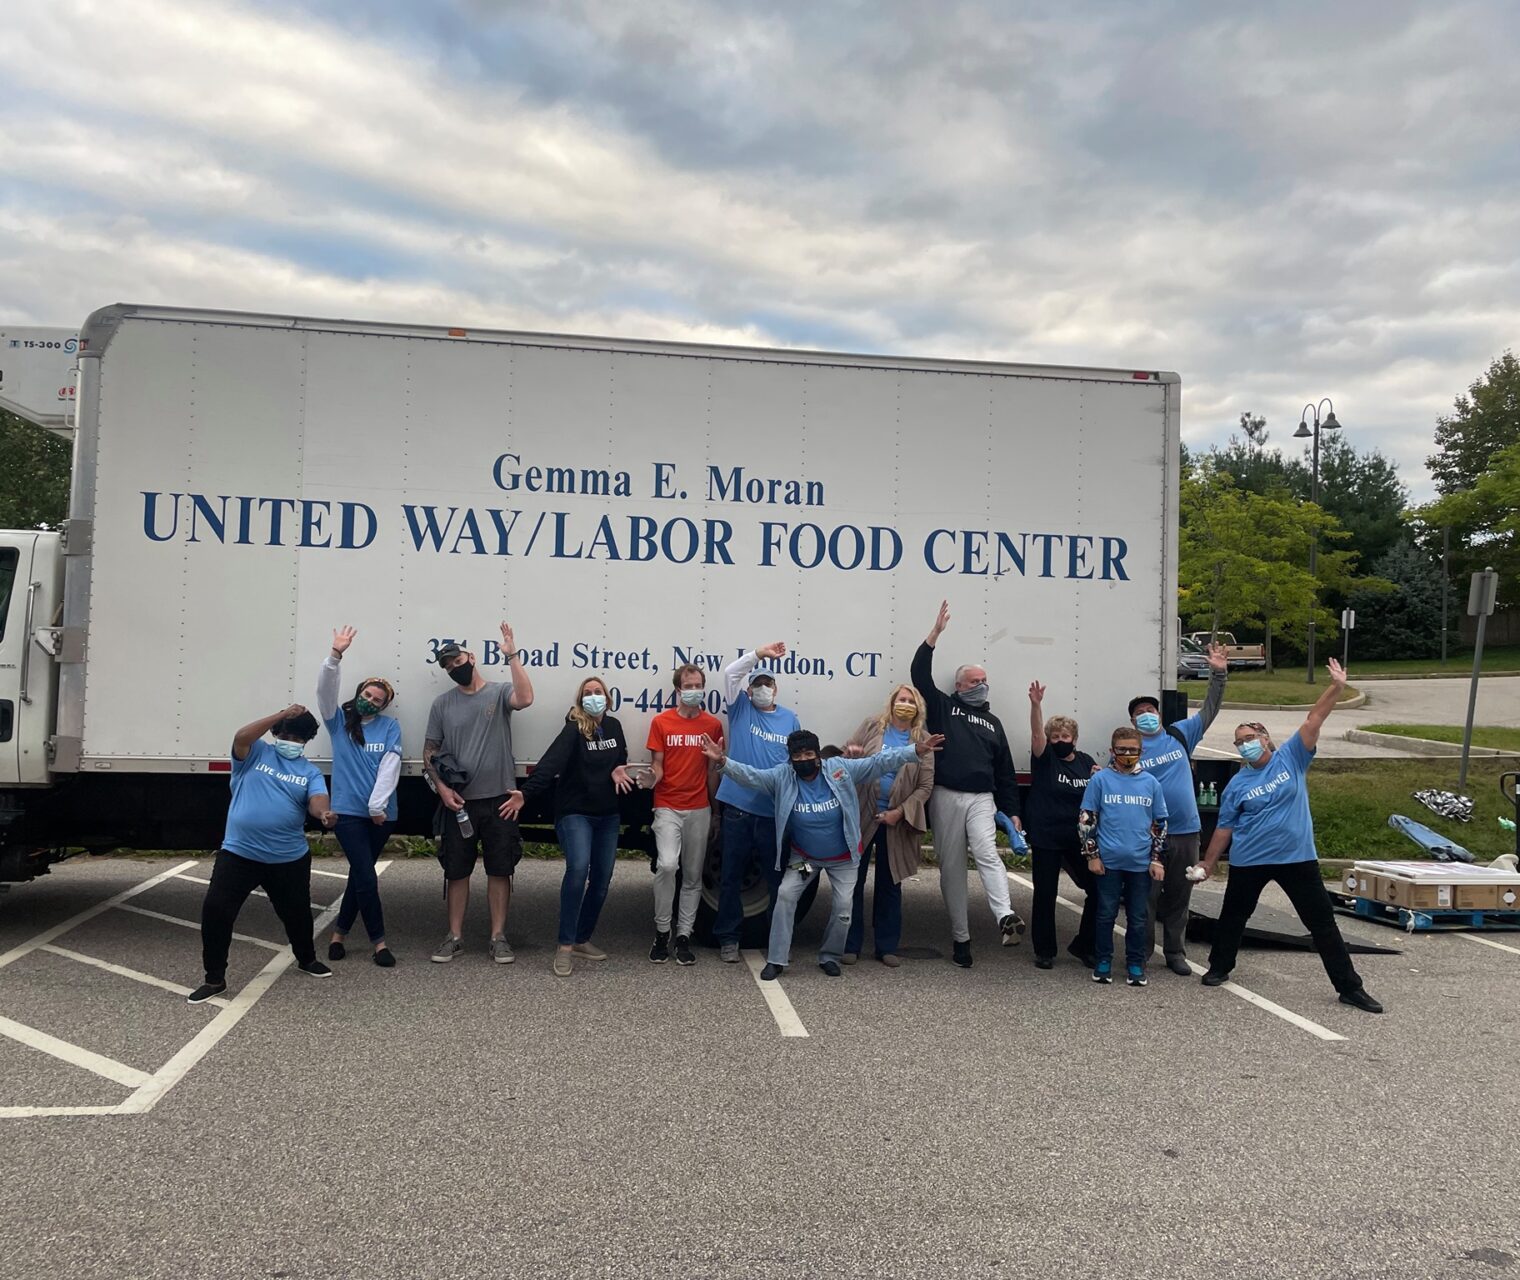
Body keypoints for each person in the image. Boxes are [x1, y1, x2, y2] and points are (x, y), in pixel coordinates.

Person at [1195, 658, 1383, 1013]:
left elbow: (1314, 719)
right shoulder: (1237, 783)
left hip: (1296, 858)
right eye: (1239, 743)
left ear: (1265, 738)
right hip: (1250, 860)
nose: (1245, 745)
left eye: (1250, 738)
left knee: (1322, 923)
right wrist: (1208, 862)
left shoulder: (1292, 758)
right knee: (1234, 916)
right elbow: (1225, 827)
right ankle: (1219, 968)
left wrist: (1336, 687)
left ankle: (1349, 986)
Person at [698, 727, 944, 978]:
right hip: (804, 858)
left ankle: (830, 955)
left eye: (808, 754)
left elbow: (879, 762)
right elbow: (751, 776)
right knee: (784, 895)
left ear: (818, 755)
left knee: (843, 908)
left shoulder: (840, 770)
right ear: (790, 758)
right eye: (797, 755)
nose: (803, 760)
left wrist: (914, 750)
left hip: (843, 859)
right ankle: (777, 959)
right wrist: (721, 761)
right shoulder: (783, 776)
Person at [188, 704, 338, 1003]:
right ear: (276, 732)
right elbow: (241, 736)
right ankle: (214, 978)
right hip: (239, 854)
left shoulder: (309, 771)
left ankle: (307, 958)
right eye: (287, 734)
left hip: (288, 858)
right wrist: (282, 714)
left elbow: (317, 800)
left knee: (296, 914)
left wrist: (324, 814)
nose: (291, 741)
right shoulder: (254, 754)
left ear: (306, 741)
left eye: (299, 738)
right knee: (217, 912)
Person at [911, 600, 1025, 969]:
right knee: (952, 867)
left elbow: (1005, 771)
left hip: (982, 798)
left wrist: (1012, 813)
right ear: (960, 685)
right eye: (975, 681)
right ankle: (961, 937)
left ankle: (1005, 915)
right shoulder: (944, 706)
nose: (982, 685)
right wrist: (935, 634)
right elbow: (919, 676)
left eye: (984, 681)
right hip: (946, 794)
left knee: (987, 852)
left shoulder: (994, 723)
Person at [503, 677, 633, 977]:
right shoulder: (574, 728)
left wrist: (618, 767)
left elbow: (621, 755)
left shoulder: (613, 726)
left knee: (602, 878)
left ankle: (580, 939)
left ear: (608, 699)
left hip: (608, 815)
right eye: (587, 694)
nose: (593, 697)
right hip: (575, 812)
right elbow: (550, 764)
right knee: (578, 870)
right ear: (580, 700)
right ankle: (563, 946)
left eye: (598, 693)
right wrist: (526, 793)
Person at [423, 623, 534, 965]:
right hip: (459, 803)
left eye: (457, 660)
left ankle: (498, 937)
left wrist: (512, 654)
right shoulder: (442, 704)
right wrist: (441, 789)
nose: (454, 668)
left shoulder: (500, 693)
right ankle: (454, 936)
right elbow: (429, 752)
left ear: (471, 657)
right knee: (456, 872)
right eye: (447, 666)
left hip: (499, 800)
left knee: (500, 870)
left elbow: (526, 698)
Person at [1127, 641, 1228, 974]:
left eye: (1150, 711)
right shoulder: (1131, 748)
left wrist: (1218, 674)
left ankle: (1174, 953)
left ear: (1159, 713)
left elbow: (1211, 708)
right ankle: (1140, 953)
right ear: (1132, 719)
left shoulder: (1180, 734)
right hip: (1149, 833)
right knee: (1146, 896)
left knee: (1179, 897)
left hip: (1186, 830)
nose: (1146, 716)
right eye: (1139, 713)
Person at [318, 626, 402, 967]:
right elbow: (324, 691)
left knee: (359, 874)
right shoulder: (338, 722)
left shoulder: (389, 727)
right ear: (359, 692)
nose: (371, 700)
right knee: (367, 876)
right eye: (368, 694)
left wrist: (377, 805)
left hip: (381, 815)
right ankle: (379, 943)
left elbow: (391, 765)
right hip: (348, 814)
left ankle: (339, 934)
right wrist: (335, 656)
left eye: (378, 699)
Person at [713, 643, 801, 963]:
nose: (763, 688)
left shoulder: (791, 719)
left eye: (768, 683)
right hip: (736, 808)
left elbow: (796, 762)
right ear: (748, 691)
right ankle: (728, 938)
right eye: (757, 684)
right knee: (731, 876)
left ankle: (776, 941)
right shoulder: (740, 709)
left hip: (772, 813)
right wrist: (759, 654)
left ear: (776, 689)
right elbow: (729, 673)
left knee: (776, 880)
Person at [840, 684, 936, 967]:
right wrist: (852, 753)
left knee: (890, 882)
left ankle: (886, 946)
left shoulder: (923, 740)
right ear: (892, 703)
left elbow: (925, 786)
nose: (905, 704)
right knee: (852, 881)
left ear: (918, 708)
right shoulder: (872, 726)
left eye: (910, 701)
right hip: (863, 814)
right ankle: (849, 944)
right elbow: (849, 756)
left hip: (895, 820)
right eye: (901, 699)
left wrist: (900, 812)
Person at [645, 664, 724, 966]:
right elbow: (658, 765)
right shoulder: (661, 723)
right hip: (667, 805)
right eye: (688, 686)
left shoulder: (713, 725)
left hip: (699, 808)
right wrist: (650, 777)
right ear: (677, 690)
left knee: (692, 876)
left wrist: (715, 813)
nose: (694, 691)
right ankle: (661, 932)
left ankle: (683, 937)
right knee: (666, 865)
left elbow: (711, 773)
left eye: (698, 685)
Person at [1079, 727, 1168, 987]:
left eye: (1133, 750)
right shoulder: (1101, 780)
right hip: (1108, 862)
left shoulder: (1151, 783)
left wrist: (1156, 858)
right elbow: (1087, 819)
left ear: (1141, 751)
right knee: (1106, 914)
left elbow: (1160, 823)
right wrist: (1092, 855)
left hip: (1140, 863)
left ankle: (1135, 963)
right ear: (1112, 751)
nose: (1127, 754)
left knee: (1138, 916)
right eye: (1122, 750)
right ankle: (1103, 960)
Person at [1025, 681, 1101, 969]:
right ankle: (1045, 951)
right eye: (1054, 736)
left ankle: (1084, 945)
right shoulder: (1045, 760)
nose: (1059, 740)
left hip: (1079, 838)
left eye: (1064, 735)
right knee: (1045, 893)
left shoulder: (1086, 761)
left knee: (1097, 887)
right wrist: (1036, 705)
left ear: (1075, 738)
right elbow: (1035, 733)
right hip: (1047, 835)